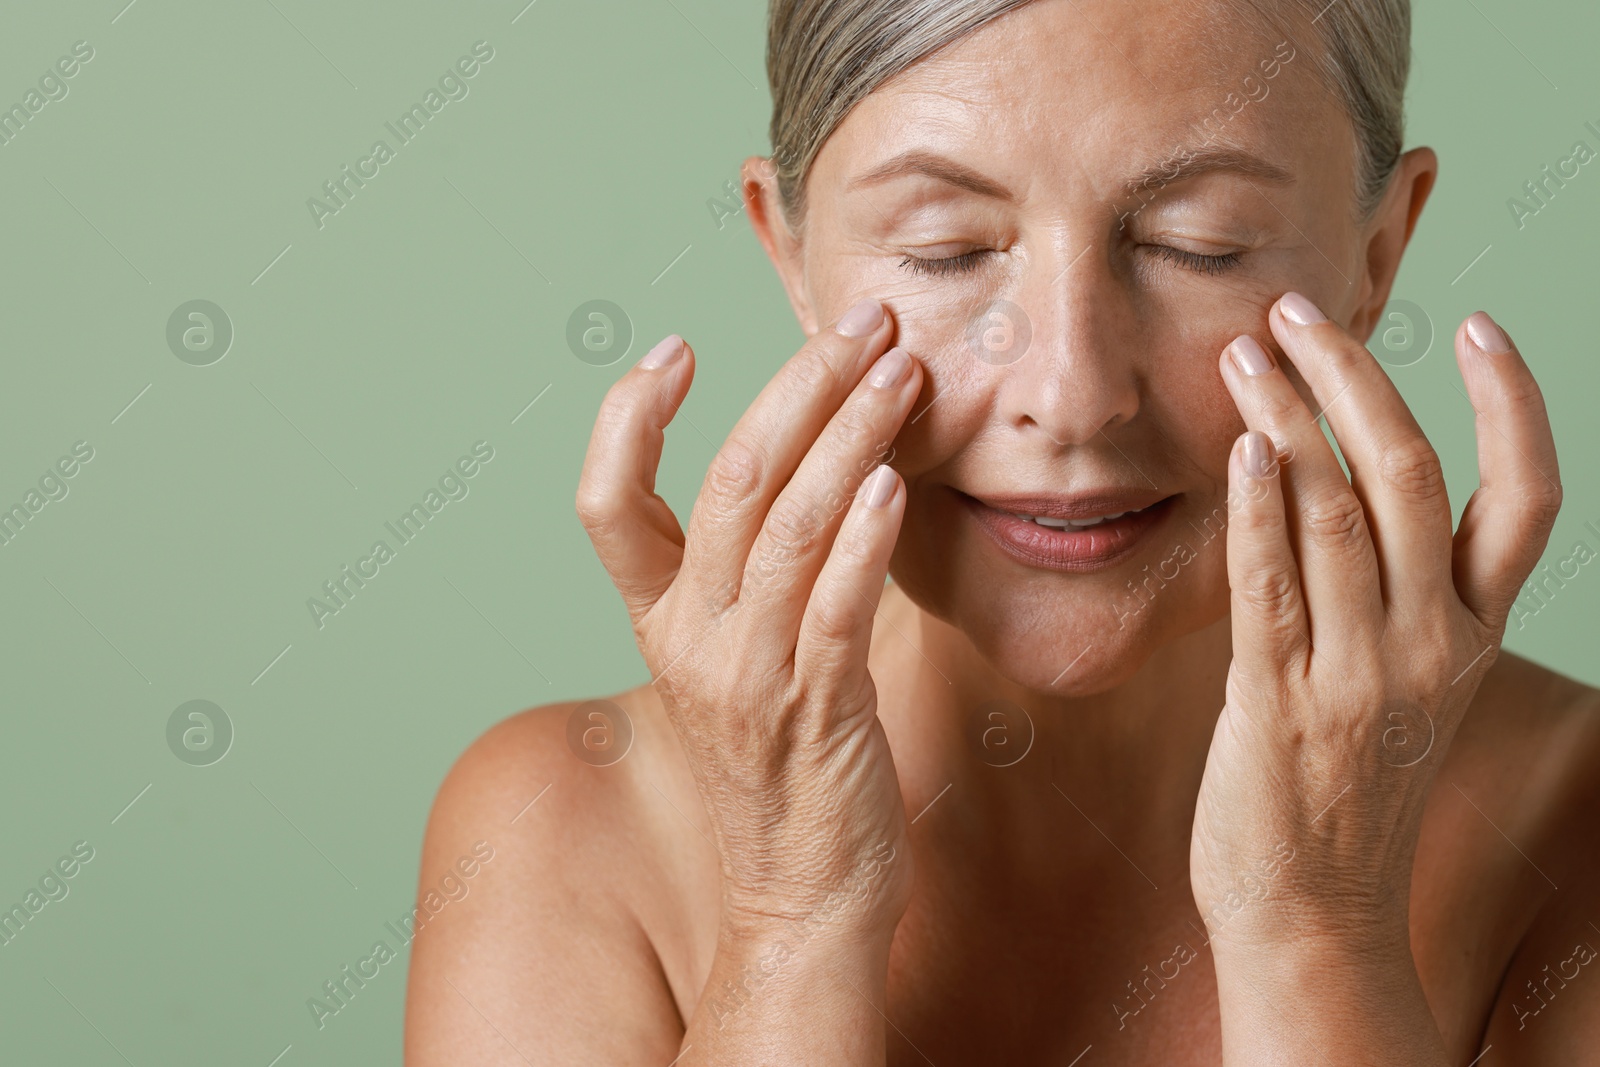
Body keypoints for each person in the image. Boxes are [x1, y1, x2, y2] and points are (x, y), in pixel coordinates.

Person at [405, 0, 1599, 1062]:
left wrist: (1316, 924)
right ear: (790, 254)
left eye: (1200, 243)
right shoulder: (562, 829)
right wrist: (790, 919)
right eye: (946, 250)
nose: (1070, 390)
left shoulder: (1572, 821)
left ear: (1377, 255)